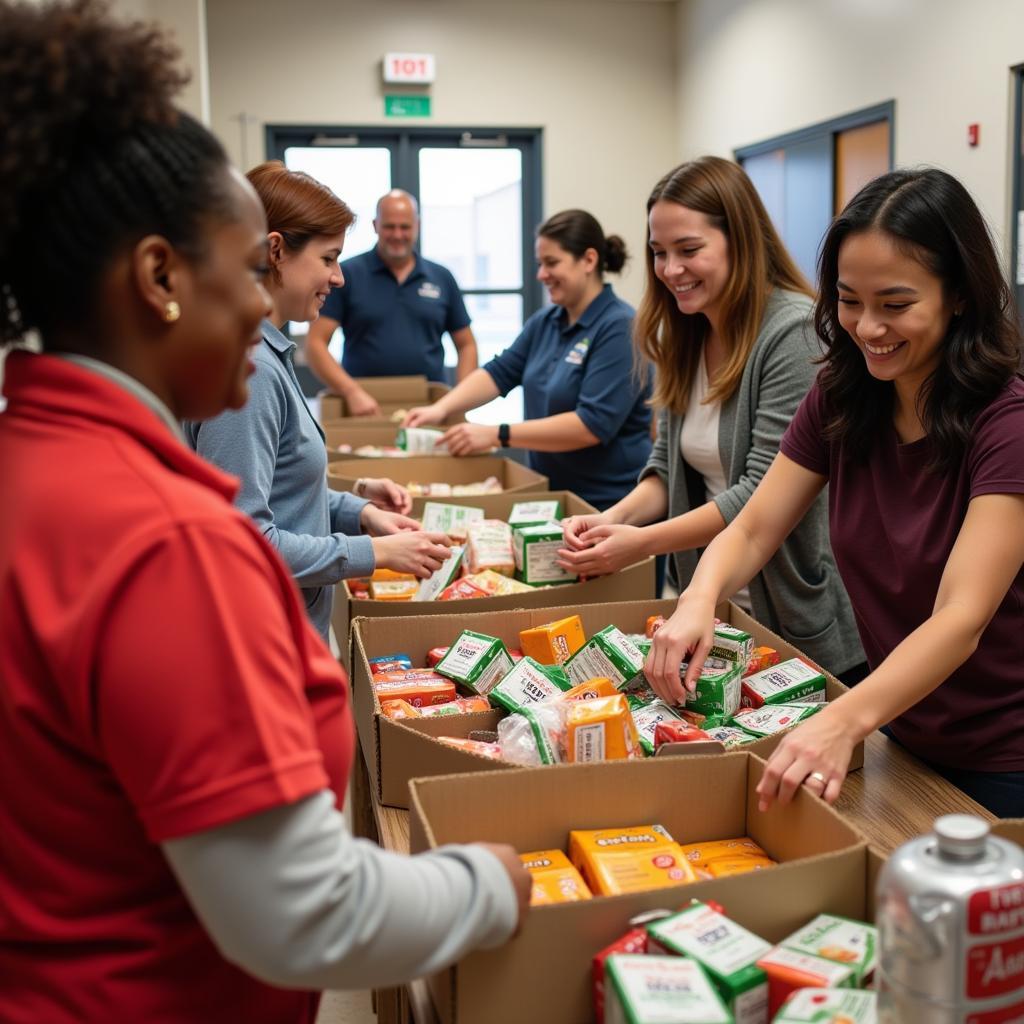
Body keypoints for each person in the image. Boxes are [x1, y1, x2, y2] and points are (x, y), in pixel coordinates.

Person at [0, 4, 529, 1022]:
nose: (269, 311)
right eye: (248, 270)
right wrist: (490, 884)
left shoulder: (33, 456)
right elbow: (306, 913)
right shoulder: (167, 543)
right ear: (159, 276)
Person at [645, 168, 1024, 818]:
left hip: (1000, 754)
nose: (869, 327)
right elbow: (756, 525)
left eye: (896, 305)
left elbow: (961, 617)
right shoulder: (843, 396)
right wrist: (698, 601)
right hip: (898, 723)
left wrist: (844, 719)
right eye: (850, 300)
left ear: (959, 294)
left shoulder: (1006, 424)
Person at [559, 158, 863, 678]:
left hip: (792, 617)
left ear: (739, 241)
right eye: (659, 253)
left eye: (689, 250)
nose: (671, 269)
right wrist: (617, 519)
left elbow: (759, 492)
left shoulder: (790, 333)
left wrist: (642, 544)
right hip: (715, 608)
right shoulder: (688, 330)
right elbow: (666, 466)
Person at [184, 161, 452, 643]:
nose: (339, 278)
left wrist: (360, 511)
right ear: (276, 251)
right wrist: (377, 554)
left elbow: (280, 494)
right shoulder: (253, 371)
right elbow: (248, 540)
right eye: (328, 259)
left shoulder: (269, 351)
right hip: (266, 639)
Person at [403, 209, 653, 511]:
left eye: (552, 263)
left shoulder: (619, 327)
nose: (541, 275)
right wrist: (440, 409)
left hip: (610, 503)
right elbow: (500, 372)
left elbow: (591, 425)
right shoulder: (547, 321)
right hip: (553, 492)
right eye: (539, 264)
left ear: (589, 260)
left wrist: (497, 434)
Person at [304, 189, 478, 414]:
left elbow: (467, 345)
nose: (397, 234)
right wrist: (351, 392)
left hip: (430, 407)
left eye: (405, 227)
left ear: (417, 226)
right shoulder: (347, 275)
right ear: (376, 225)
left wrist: (460, 400)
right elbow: (315, 343)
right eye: (389, 226)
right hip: (363, 408)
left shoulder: (441, 277)